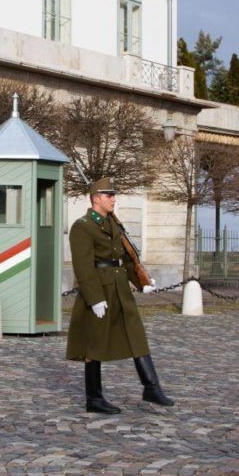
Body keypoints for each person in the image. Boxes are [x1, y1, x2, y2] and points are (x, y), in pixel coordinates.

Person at [65, 177, 174, 413]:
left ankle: (151, 387)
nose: (113, 199)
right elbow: (83, 267)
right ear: (96, 199)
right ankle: (94, 398)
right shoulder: (82, 226)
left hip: (120, 288)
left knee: (136, 335)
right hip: (100, 290)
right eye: (108, 195)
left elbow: (124, 258)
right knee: (94, 344)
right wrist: (94, 298)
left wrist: (140, 281)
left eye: (114, 195)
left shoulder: (113, 225)